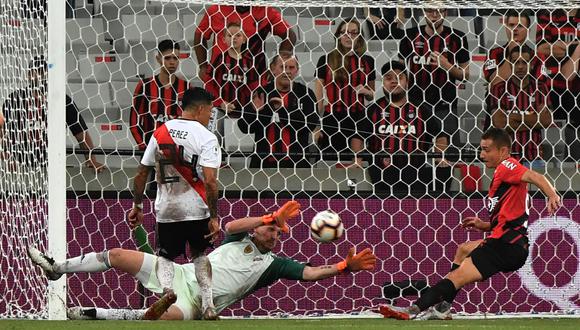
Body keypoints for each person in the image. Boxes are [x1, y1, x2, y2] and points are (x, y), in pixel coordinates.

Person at [28, 201, 377, 320]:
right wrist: (268, 217)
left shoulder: (273, 265)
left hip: (196, 303)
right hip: (180, 274)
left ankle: (94, 315)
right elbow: (232, 224)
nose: (273, 235)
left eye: (277, 233)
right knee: (118, 255)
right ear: (258, 231)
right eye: (270, 231)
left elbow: (311, 272)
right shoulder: (241, 235)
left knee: (160, 318)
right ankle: (55, 268)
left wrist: (345, 267)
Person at [379, 127, 561, 320]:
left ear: (503, 151)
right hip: (511, 243)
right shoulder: (505, 174)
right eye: (481, 149)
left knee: (455, 278)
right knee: (463, 249)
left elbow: (536, 176)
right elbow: (507, 217)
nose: (482, 154)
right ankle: (443, 308)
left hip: (504, 244)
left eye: (487, 149)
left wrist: (551, 194)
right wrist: (482, 225)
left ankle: (412, 310)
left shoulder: (508, 166)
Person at [127, 87, 221, 319]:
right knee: (199, 254)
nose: (210, 116)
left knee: (166, 257)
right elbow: (210, 181)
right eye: (210, 111)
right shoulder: (207, 137)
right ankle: (208, 305)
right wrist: (214, 216)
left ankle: (167, 292)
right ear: (200, 109)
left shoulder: (161, 132)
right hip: (196, 207)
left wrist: (137, 206)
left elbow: (141, 173)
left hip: (167, 209)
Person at [1, 55, 104, 172]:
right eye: (37, 72)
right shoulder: (14, 99)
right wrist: (8, 159)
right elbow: (3, 133)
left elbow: (81, 134)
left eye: (45, 72)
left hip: (52, 163)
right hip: (20, 162)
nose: (41, 76)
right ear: (29, 75)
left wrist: (91, 159)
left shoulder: (63, 101)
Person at [357, 61, 446, 195]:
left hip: (415, 174)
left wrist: (440, 157)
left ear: (407, 81)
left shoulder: (421, 109)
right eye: (388, 78)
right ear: (383, 82)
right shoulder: (373, 110)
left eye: (399, 77)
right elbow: (358, 137)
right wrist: (357, 160)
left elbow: (440, 135)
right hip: (380, 175)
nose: (394, 81)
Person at [398, 8, 470, 147]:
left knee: (446, 156)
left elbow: (465, 75)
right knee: (415, 151)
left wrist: (446, 65)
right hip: (415, 104)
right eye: (430, 11)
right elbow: (399, 70)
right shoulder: (409, 35)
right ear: (423, 12)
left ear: (446, 13)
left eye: (440, 11)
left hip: (445, 105)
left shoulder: (457, 37)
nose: (435, 15)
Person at [237, 53, 318, 168]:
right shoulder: (261, 93)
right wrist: (259, 112)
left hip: (297, 165)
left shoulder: (305, 94)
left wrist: (281, 110)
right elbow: (244, 127)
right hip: (263, 165)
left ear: (297, 70)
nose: (287, 71)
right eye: (283, 67)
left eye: (291, 67)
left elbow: (310, 125)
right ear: (272, 69)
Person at [315, 18, 375, 163]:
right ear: (338, 35)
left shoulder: (367, 61)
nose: (348, 36)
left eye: (353, 33)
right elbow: (318, 99)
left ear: (359, 36)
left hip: (358, 119)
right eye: (344, 33)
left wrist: (366, 92)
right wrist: (316, 126)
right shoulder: (325, 59)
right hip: (333, 119)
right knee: (331, 165)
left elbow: (371, 95)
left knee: (356, 165)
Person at [194, 4, 297, 82]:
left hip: (253, 77)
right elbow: (199, 35)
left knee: (251, 109)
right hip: (219, 75)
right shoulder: (216, 9)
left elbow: (290, 35)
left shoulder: (266, 11)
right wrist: (203, 66)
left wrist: (275, 66)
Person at [205, 21, 267, 146]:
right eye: (230, 35)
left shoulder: (249, 63)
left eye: (238, 35)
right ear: (224, 39)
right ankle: (218, 157)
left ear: (244, 39)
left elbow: (254, 88)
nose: (234, 38)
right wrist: (220, 103)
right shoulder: (219, 60)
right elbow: (209, 85)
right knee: (215, 120)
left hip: (244, 111)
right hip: (221, 108)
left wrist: (249, 106)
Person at [490, 45, 552, 168]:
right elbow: (500, 123)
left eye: (524, 62)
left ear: (532, 64)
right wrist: (533, 119)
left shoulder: (541, 88)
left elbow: (545, 121)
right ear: (510, 64)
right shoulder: (499, 88)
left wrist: (512, 116)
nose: (520, 66)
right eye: (516, 62)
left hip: (534, 158)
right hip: (506, 158)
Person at [130, 39, 191, 151]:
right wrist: (144, 147)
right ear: (158, 59)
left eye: (176, 58)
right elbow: (134, 121)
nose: (172, 62)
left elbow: (191, 121)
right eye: (167, 58)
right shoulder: (145, 86)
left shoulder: (187, 87)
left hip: (178, 152)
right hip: (151, 148)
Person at [536, 8, 580, 162]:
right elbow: (542, 47)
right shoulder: (547, 12)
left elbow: (551, 47)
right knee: (554, 138)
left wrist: (560, 46)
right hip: (554, 86)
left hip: (577, 88)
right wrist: (575, 48)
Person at [482, 10, 534, 131]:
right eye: (511, 25)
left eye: (520, 26)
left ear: (528, 30)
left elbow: (538, 88)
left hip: (529, 120)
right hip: (496, 119)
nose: (515, 29)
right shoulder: (494, 53)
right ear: (505, 28)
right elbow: (496, 82)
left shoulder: (535, 56)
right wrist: (512, 52)